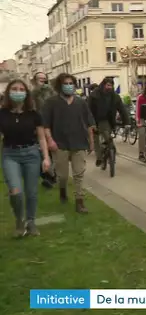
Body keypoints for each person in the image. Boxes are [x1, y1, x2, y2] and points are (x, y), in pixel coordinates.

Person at [0, 79, 51, 237]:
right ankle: (19, 221)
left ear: (26, 93)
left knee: (31, 192)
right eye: (14, 89)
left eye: (21, 89)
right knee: (15, 191)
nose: (18, 92)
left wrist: (46, 158)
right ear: (8, 92)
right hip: (10, 155)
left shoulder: (34, 114)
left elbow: (42, 138)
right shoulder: (2, 114)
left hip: (31, 155)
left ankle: (31, 222)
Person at [42, 73, 95, 213]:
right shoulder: (51, 102)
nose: (69, 86)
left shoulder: (81, 102)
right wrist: (50, 141)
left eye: (71, 83)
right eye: (66, 83)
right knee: (63, 175)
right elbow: (45, 125)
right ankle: (62, 190)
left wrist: (91, 142)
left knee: (79, 173)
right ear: (60, 86)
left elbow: (89, 123)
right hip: (60, 144)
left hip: (79, 143)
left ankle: (80, 202)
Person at [88, 77, 129, 167]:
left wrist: (126, 123)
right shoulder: (94, 95)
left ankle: (110, 151)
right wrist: (90, 123)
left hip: (107, 120)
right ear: (103, 85)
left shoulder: (115, 97)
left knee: (107, 136)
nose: (109, 87)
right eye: (108, 85)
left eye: (111, 85)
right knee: (96, 140)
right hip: (94, 120)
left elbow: (122, 109)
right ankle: (99, 158)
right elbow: (88, 110)